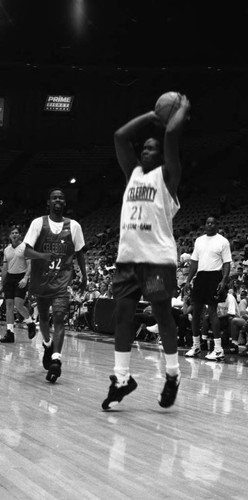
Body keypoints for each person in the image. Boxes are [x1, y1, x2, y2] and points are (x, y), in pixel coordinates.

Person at [102, 93, 191, 410]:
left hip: (156, 261)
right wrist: (152, 115)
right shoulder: (133, 175)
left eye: (151, 148)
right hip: (127, 260)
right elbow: (120, 136)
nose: (145, 149)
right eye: (144, 147)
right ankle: (122, 379)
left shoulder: (168, 177)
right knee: (122, 317)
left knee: (163, 315)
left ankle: (172, 374)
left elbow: (170, 135)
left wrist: (179, 111)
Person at [23, 188, 87, 382]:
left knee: (58, 317)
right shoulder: (38, 223)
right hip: (41, 280)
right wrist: (42, 255)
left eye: (61, 198)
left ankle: (56, 360)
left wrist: (84, 277)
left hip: (61, 281)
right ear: (48, 202)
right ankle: (47, 343)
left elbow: (80, 254)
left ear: (64, 203)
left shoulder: (74, 226)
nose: (58, 200)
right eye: (54, 198)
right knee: (43, 318)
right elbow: (26, 251)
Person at [184, 216, 232, 360]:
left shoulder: (223, 241)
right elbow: (194, 263)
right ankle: (196, 346)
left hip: (215, 277)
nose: (210, 225)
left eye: (213, 223)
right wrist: (188, 280)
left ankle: (218, 350)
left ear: (217, 225)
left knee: (212, 312)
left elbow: (227, 263)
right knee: (196, 311)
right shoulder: (199, 240)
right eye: (207, 223)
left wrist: (223, 280)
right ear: (205, 225)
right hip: (200, 277)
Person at [0, 225, 37, 343]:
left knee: (18, 304)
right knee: (9, 305)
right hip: (9, 278)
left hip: (21, 277)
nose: (14, 235)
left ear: (20, 235)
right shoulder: (6, 249)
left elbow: (30, 264)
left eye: (16, 233)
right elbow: (5, 268)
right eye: (12, 233)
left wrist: (26, 278)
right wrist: (1, 283)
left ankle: (30, 323)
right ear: (10, 235)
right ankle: (10, 333)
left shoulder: (25, 247)